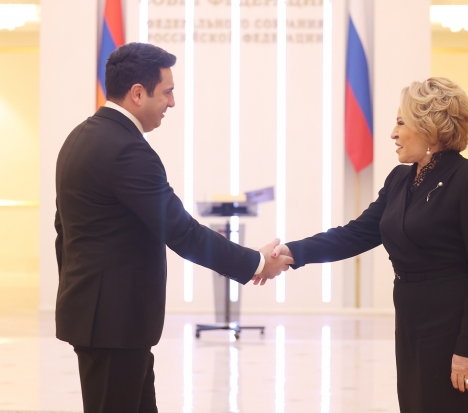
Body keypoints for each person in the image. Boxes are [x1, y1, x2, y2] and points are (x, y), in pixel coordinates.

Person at [54, 42, 293, 413]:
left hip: (103, 319)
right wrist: (256, 262)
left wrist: (83, 293)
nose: (172, 102)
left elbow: (65, 230)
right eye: (167, 92)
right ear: (138, 94)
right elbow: (181, 232)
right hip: (115, 324)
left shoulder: (81, 137)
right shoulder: (127, 150)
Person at [264, 77, 468, 413]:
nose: (393, 133)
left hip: (452, 325)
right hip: (410, 320)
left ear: (430, 128)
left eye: (401, 123)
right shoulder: (400, 179)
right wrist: (292, 252)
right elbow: (357, 233)